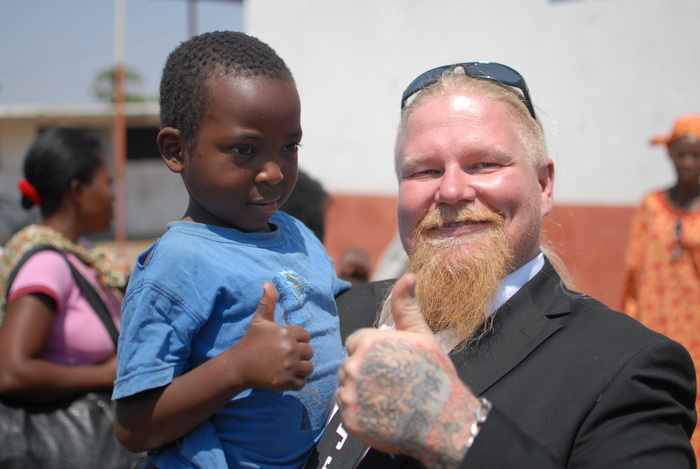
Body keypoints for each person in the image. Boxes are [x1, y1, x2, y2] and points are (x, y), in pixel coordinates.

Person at [328, 63, 696, 468]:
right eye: (425, 171)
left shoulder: (627, 366)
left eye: (485, 164)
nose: (450, 190)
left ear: (543, 185)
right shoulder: (341, 314)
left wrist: (454, 427)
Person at [113, 31, 350, 468]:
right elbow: (132, 426)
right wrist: (237, 368)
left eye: (289, 147)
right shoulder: (177, 265)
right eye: (245, 150)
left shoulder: (294, 232)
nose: (274, 172)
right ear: (176, 150)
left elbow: (331, 309)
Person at [0, 127, 138, 467]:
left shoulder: (85, 255)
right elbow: (11, 372)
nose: (113, 196)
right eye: (106, 184)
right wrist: (106, 374)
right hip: (68, 446)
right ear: (77, 190)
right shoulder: (47, 264)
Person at [622, 113, 700, 460]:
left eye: (695, 155)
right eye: (681, 153)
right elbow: (633, 270)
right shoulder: (651, 207)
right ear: (670, 154)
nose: (688, 162)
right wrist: (631, 318)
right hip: (657, 324)